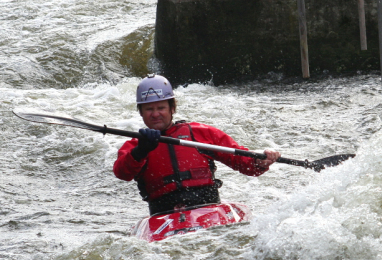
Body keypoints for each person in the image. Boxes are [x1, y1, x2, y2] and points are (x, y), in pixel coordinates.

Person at [113, 74, 281, 215]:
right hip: (162, 213)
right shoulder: (134, 145)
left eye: (161, 108)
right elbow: (121, 173)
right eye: (149, 109)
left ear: (172, 108)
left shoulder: (201, 133)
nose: (155, 114)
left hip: (207, 208)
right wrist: (140, 152)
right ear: (141, 112)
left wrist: (261, 160)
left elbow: (244, 163)